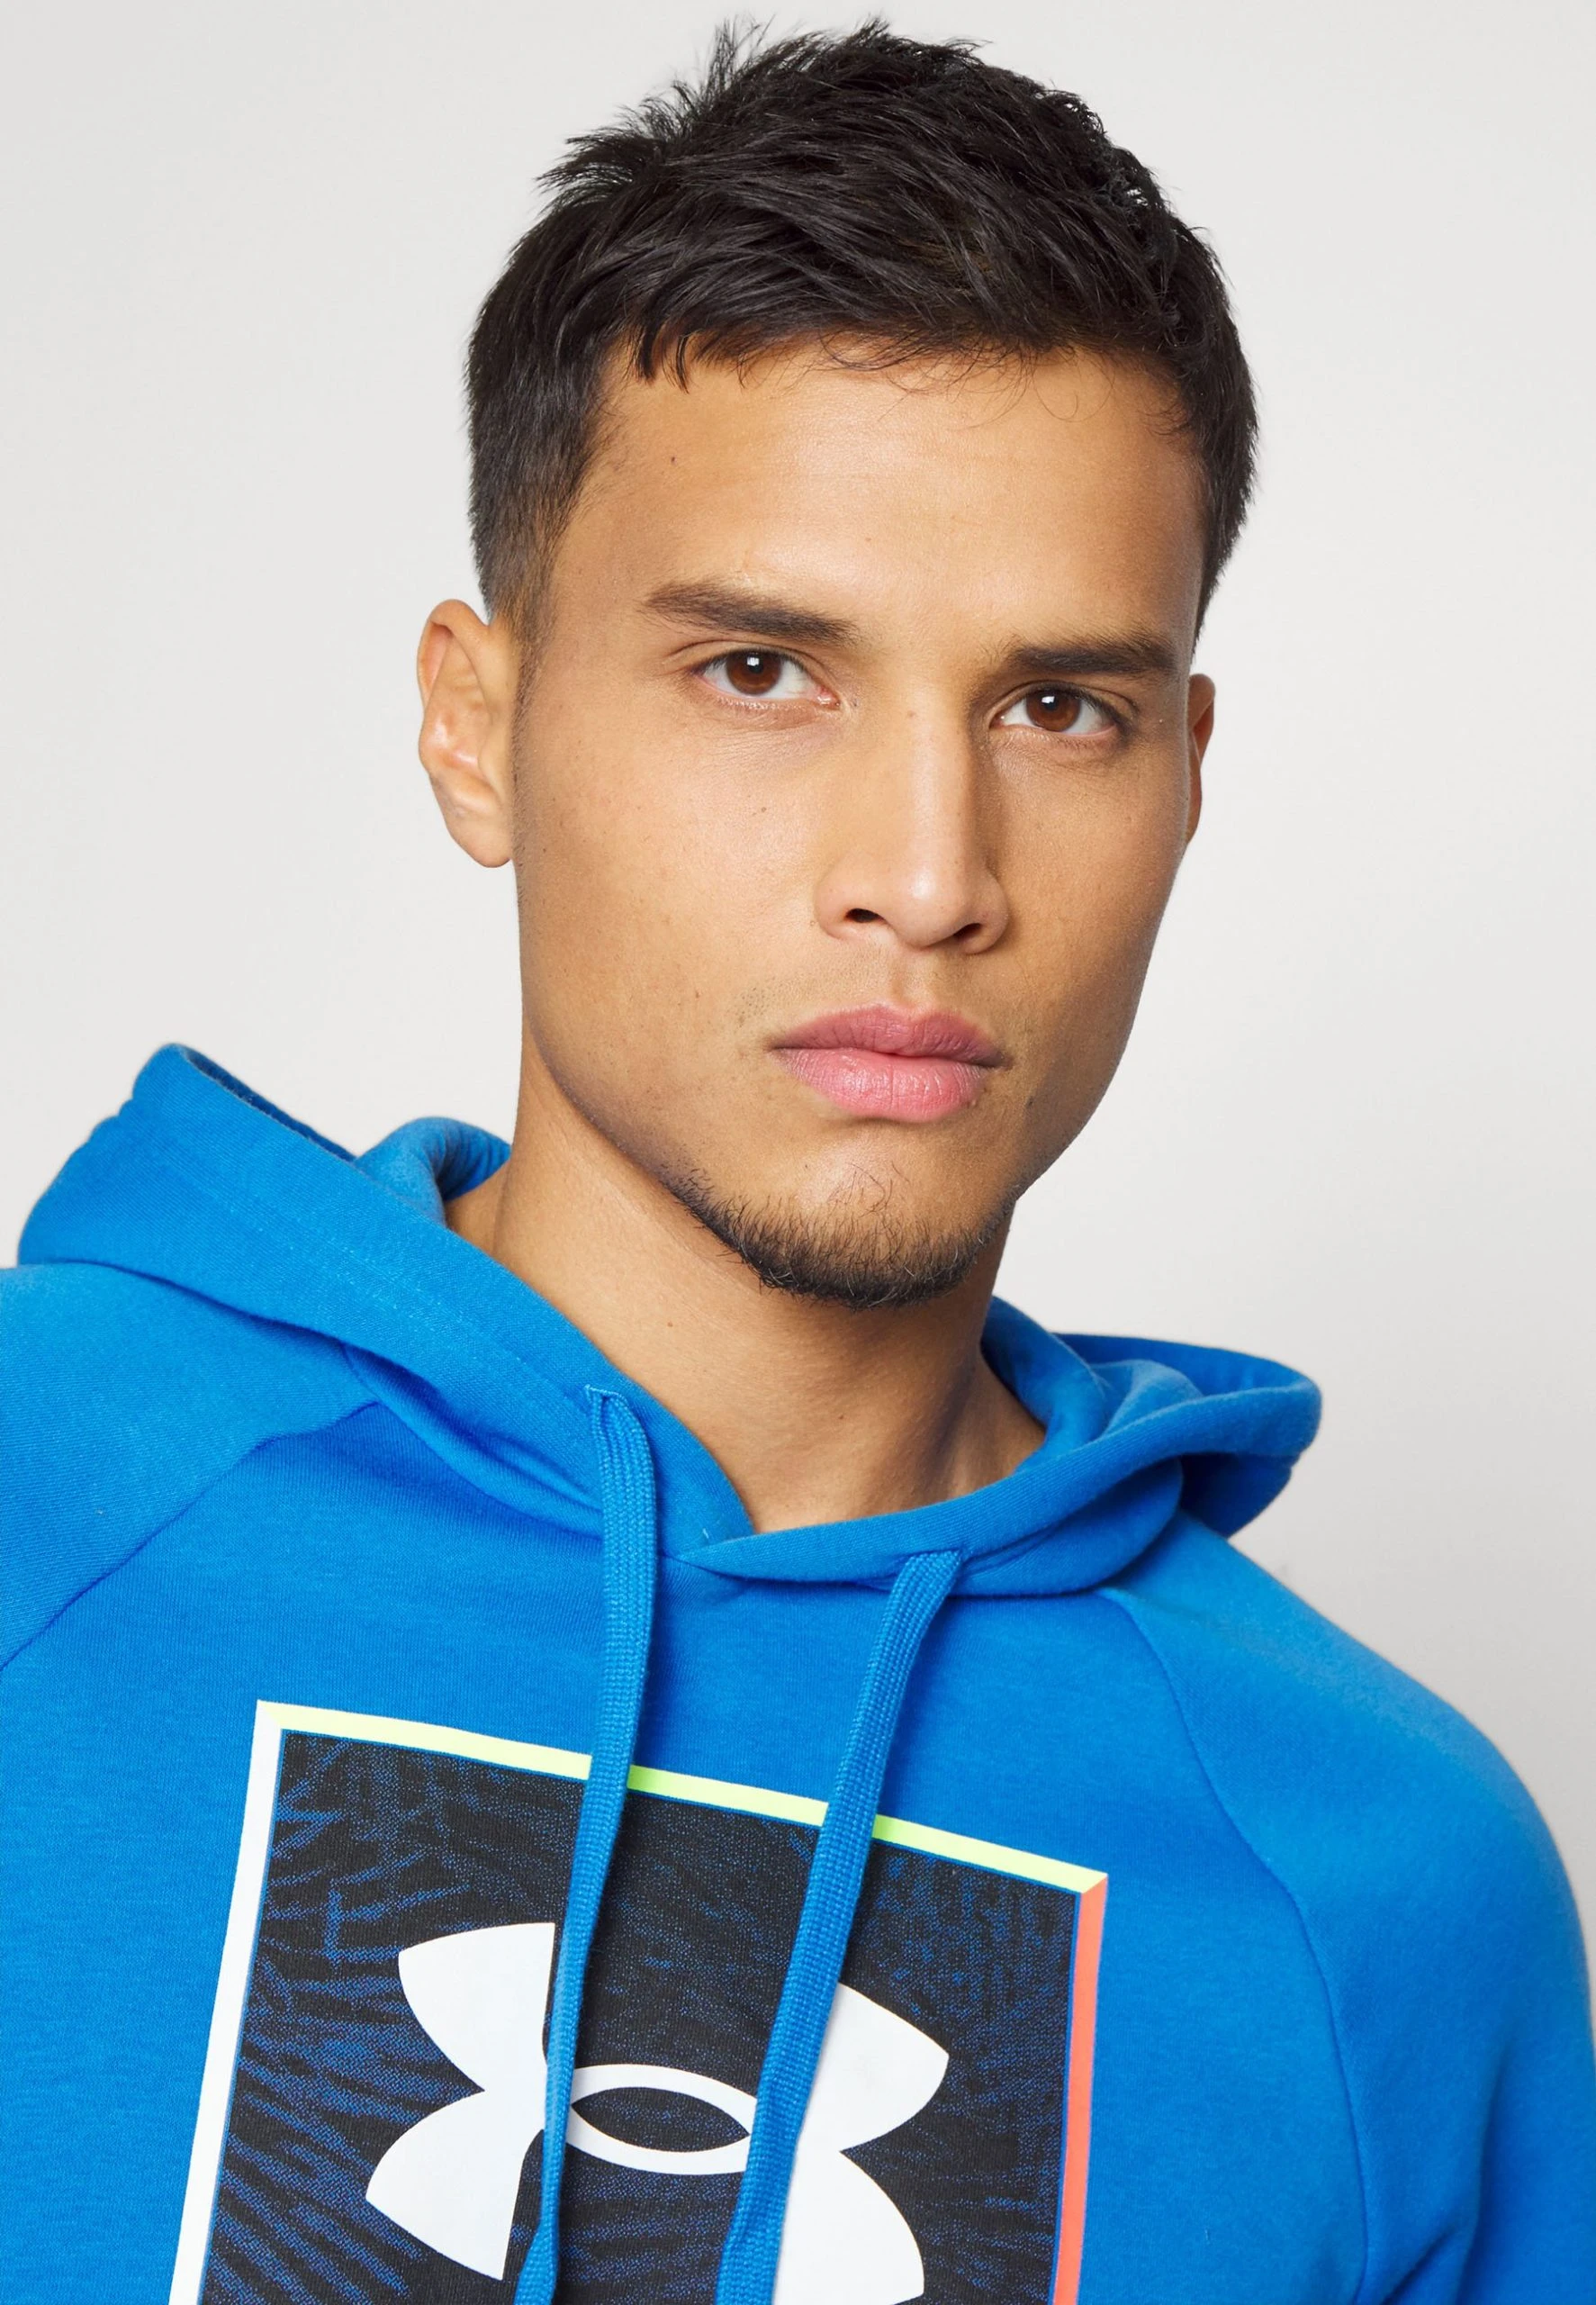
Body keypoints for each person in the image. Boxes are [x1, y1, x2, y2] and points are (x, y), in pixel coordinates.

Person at [2, 23, 1591, 2305]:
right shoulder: (39, 1496)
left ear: (1185, 773)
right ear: (475, 720)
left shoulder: (1387, 1894)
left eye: (1058, 707)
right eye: (762, 669)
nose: (927, 874)